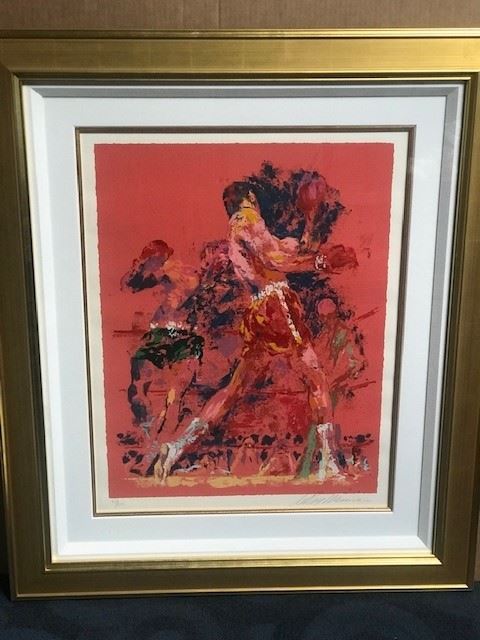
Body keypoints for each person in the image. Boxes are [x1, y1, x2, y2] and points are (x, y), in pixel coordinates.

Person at [153, 181, 345, 482]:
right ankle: (330, 464)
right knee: (315, 377)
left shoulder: (238, 230)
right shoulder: (249, 219)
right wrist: (319, 262)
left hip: (259, 309)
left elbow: (286, 250)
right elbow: (276, 259)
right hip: (277, 304)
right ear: (250, 198)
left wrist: (310, 224)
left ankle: (176, 448)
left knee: (233, 390)